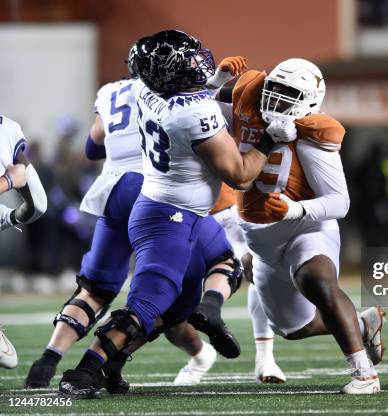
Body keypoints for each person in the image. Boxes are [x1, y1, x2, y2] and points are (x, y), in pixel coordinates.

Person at [57, 29, 290, 399]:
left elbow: (187, 102)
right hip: (168, 218)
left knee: (217, 274)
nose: (196, 61)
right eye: (186, 59)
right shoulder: (191, 113)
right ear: (165, 73)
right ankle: (84, 371)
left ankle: (183, 324)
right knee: (148, 303)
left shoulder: (147, 92)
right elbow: (242, 175)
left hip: (180, 212)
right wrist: (271, 138)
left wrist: (215, 83)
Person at [25, 44, 246, 390]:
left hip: (112, 190)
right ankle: (100, 363)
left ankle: (47, 361)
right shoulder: (170, 100)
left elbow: (92, 148)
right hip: (158, 194)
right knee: (206, 272)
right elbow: (197, 117)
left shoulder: (115, 91)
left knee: (95, 290)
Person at [190, 58, 386, 394]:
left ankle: (364, 374)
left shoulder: (313, 134)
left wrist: (296, 209)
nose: (277, 99)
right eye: (274, 88)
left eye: (289, 93)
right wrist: (214, 82)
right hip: (261, 241)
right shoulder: (245, 106)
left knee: (317, 282)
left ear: (309, 102)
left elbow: (340, 202)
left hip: (305, 229)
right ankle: (362, 322)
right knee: (294, 328)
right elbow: (194, 116)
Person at [0, 113, 48, 370]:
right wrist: (9, 181)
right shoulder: (7, 129)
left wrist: (8, 218)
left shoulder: (8, 130)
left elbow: (38, 204)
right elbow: (38, 205)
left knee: (9, 358)